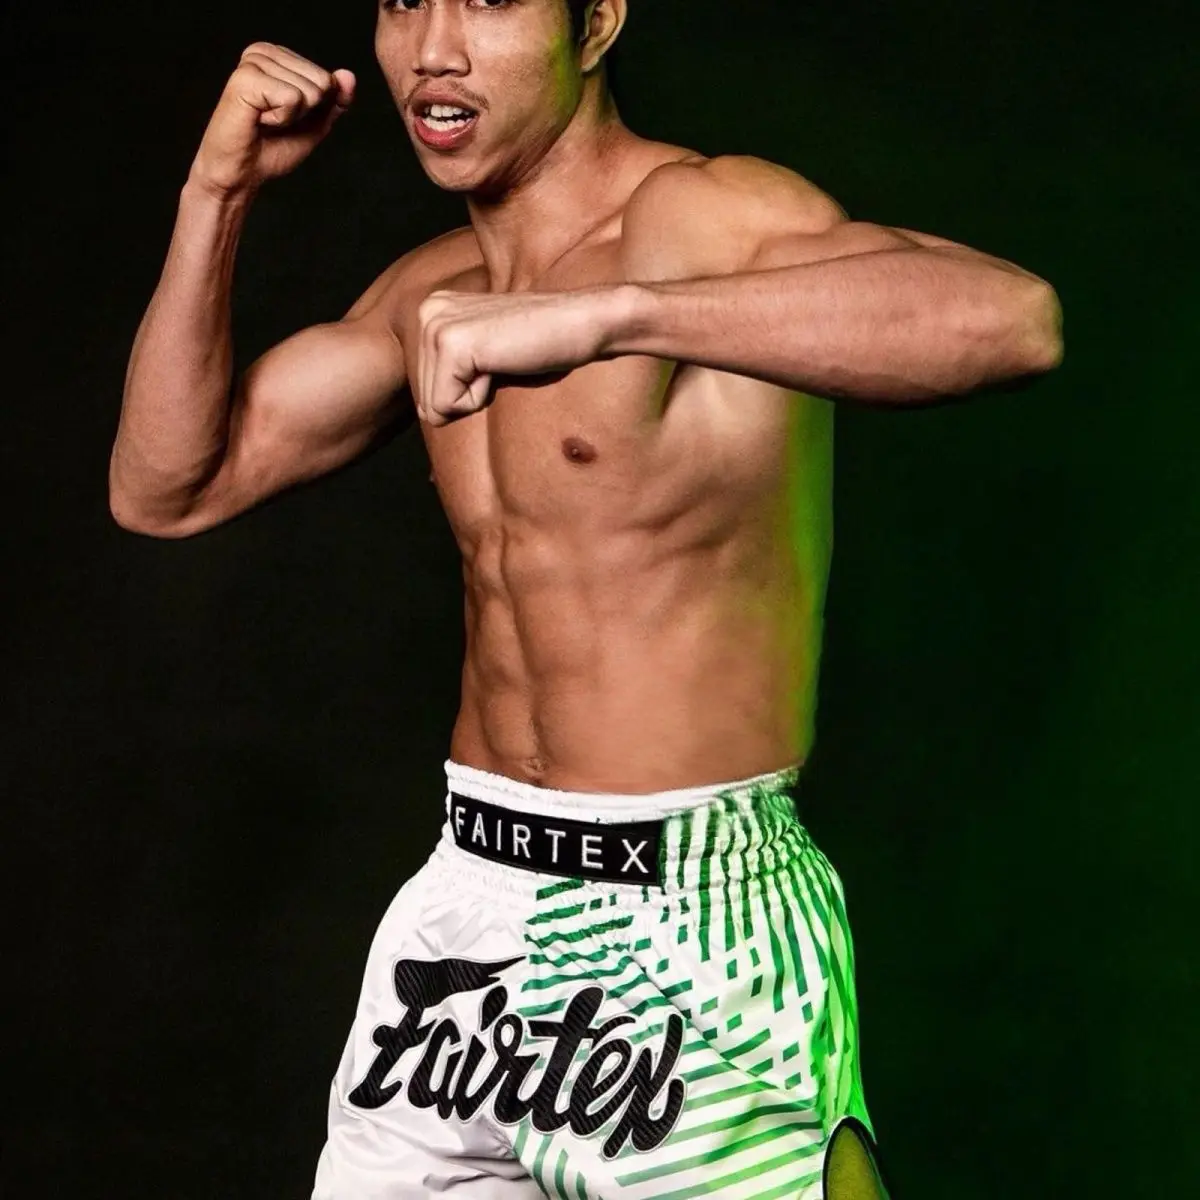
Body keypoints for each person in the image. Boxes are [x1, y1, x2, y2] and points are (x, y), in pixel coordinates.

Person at [109, 2, 1063, 1197]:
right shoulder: (432, 289)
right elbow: (169, 486)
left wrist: (616, 318)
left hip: (692, 917)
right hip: (466, 909)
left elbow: (1012, 322)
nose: (435, 49)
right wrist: (216, 195)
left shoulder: (703, 219)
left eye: (490, 1)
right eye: (405, 2)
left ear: (597, 22)